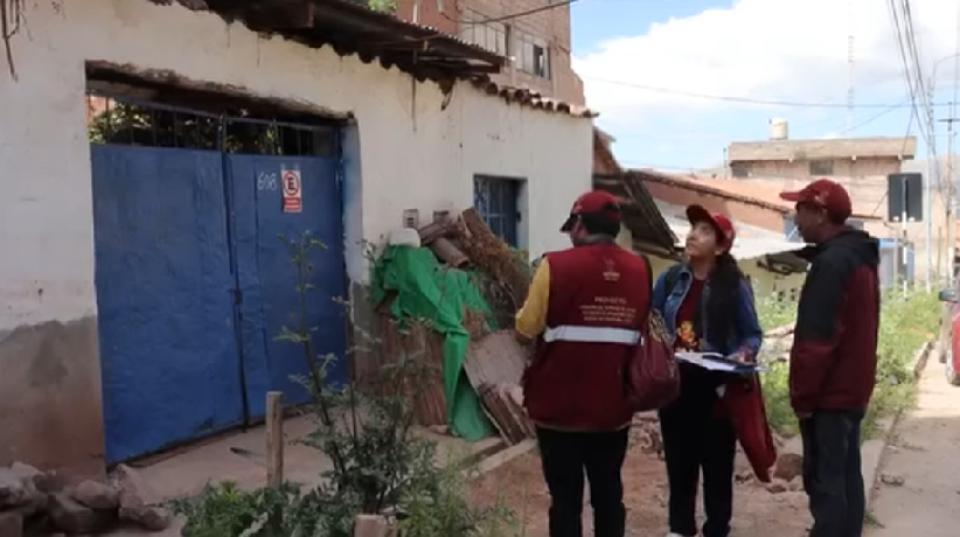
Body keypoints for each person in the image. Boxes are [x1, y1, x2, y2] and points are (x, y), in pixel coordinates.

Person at [516, 190, 652, 537]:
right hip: (613, 410)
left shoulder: (554, 266)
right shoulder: (640, 269)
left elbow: (527, 325)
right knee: (608, 496)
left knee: (565, 500)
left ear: (578, 225)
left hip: (559, 411)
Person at [651, 205, 764, 537]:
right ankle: (680, 529)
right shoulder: (671, 279)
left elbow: (751, 333)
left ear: (719, 246)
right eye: (692, 228)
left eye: (703, 231)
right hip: (676, 389)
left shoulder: (734, 285)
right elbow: (652, 320)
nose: (692, 235)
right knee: (679, 469)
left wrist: (742, 354)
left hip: (717, 393)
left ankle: (717, 529)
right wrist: (662, 346)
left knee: (717, 471)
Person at [779, 179, 880, 537]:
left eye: (801, 210)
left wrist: (803, 398)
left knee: (827, 487)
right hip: (851, 393)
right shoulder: (858, 258)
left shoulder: (833, 263)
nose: (795, 217)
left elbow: (817, 340)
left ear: (820, 213)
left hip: (829, 397)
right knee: (847, 480)